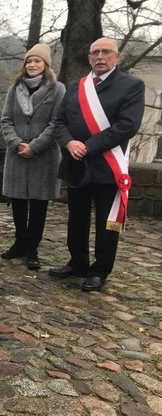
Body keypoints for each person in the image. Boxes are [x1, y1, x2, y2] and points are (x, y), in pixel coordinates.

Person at [50, 37, 145, 292]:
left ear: (117, 56)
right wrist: (70, 143)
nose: (100, 57)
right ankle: (78, 262)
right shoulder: (75, 87)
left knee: (106, 221)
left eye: (106, 52)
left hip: (107, 165)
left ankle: (100, 270)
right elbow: (59, 122)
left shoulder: (131, 86)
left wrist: (87, 146)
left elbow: (127, 126)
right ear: (89, 57)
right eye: (95, 53)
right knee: (76, 218)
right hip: (77, 163)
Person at [0, 43, 66, 270]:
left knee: (38, 203)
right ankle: (19, 242)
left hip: (43, 156)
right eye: (29, 61)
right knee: (18, 201)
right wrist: (17, 143)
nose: (32, 65)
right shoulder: (13, 89)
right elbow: (6, 120)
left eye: (37, 61)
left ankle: (32, 248)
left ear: (45, 65)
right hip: (16, 154)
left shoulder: (57, 89)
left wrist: (35, 146)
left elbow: (57, 123)